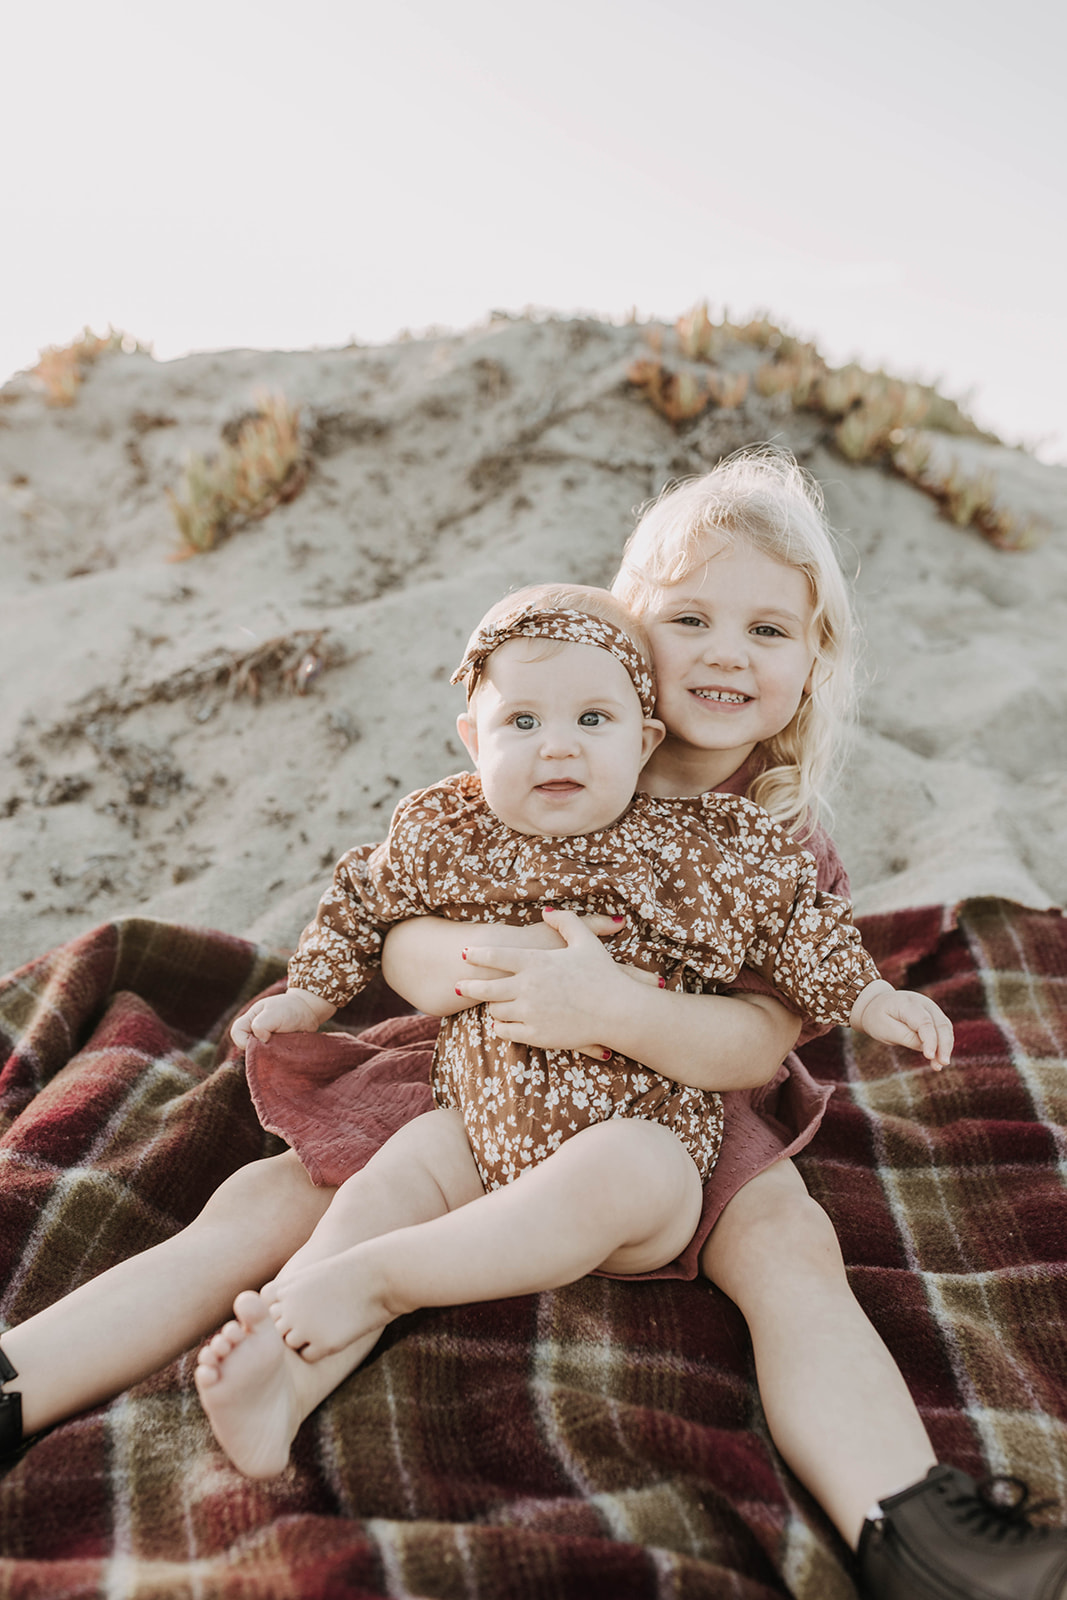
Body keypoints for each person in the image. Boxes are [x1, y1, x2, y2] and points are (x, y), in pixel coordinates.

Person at [2, 448, 1064, 1600]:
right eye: (690, 616)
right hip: (477, 1067)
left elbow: (758, 1042)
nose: (723, 652)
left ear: (812, 666)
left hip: (681, 1102)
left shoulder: (778, 847)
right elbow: (396, 920)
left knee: (792, 1256)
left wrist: (613, 1006)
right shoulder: (554, 734)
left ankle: (909, 1528)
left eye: (768, 631)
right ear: (624, 626)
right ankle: (26, 1380)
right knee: (262, 1204)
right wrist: (478, 964)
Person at [191, 584, 948, 1481]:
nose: (556, 744)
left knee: (621, 1165)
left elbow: (794, 928)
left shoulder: (699, 846)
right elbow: (362, 900)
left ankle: (381, 1278)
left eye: (592, 719)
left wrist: (865, 1000)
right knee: (381, 1186)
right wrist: (310, 998)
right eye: (521, 722)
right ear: (473, 740)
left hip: (645, 1145)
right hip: (477, 1126)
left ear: (642, 740)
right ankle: (281, 1379)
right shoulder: (453, 830)